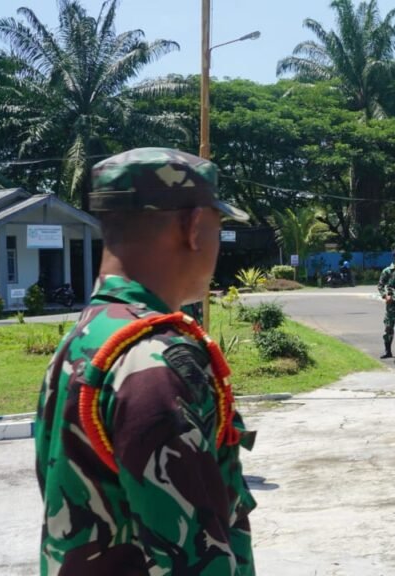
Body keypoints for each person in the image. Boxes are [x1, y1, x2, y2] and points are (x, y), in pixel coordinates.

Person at [34, 147, 256, 574]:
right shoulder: (155, 362)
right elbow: (194, 559)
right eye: (218, 225)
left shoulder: (88, 336)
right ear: (194, 227)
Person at [378, 246, 395, 358]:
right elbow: (380, 285)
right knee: (389, 326)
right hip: (391, 303)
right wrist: (385, 296)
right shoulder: (387, 271)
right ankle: (387, 350)